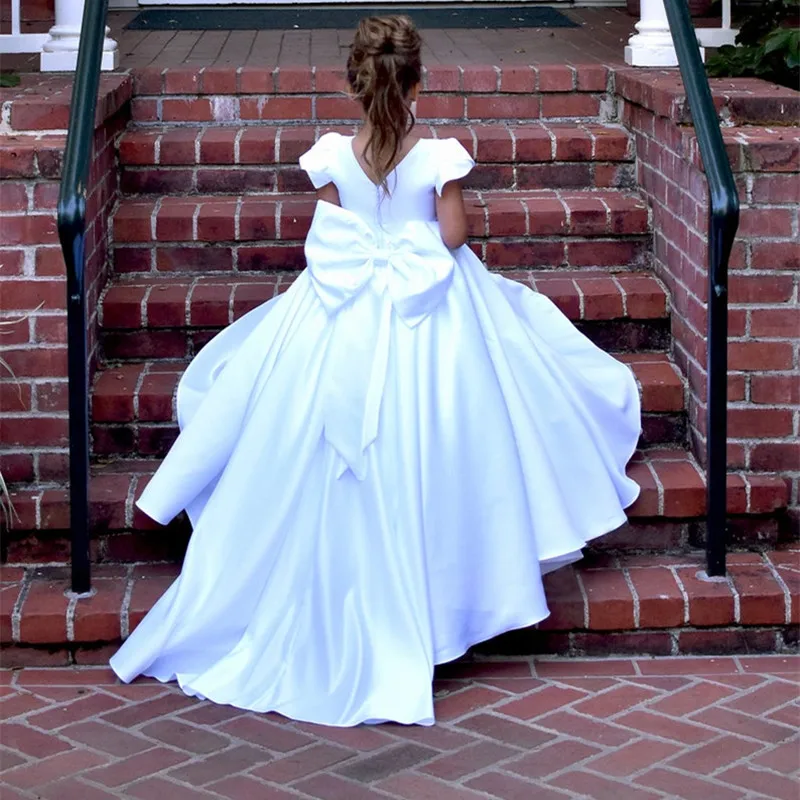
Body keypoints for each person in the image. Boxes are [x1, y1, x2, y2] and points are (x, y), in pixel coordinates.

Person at [110, 15, 641, 727]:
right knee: (461, 425)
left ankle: (307, 592)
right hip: (428, 311)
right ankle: (442, 595)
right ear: (418, 82)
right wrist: (422, 228)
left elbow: (329, 233)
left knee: (300, 428)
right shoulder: (438, 153)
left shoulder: (334, 153)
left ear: (353, 85)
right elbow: (452, 236)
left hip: (341, 309)